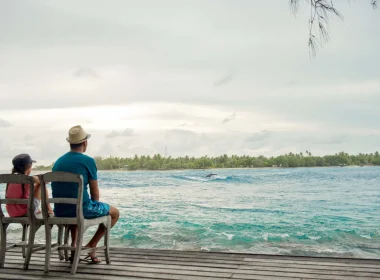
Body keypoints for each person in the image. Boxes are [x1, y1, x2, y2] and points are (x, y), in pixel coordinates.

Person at [52, 125, 119, 264]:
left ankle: (74, 246)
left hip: (60, 211)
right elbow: (95, 193)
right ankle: (92, 245)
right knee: (115, 213)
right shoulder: (88, 161)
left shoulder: (58, 162)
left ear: (70, 143)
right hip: (80, 209)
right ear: (85, 143)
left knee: (76, 207)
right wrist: (95, 206)